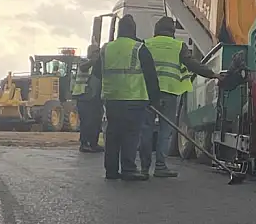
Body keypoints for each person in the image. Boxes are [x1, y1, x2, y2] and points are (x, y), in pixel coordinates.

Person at [139, 17, 223, 178]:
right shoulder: (178, 46)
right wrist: (213, 74)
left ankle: (144, 168)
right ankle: (160, 167)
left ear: (156, 30)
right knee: (165, 131)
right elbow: (193, 65)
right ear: (172, 31)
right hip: (170, 93)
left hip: (147, 94)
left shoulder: (146, 44)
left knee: (146, 130)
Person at [91, 15, 160, 181]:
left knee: (113, 134)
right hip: (134, 99)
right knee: (130, 135)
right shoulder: (139, 48)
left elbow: (96, 73)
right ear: (133, 30)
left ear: (117, 31)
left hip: (112, 99)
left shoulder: (106, 49)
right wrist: (155, 100)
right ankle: (128, 169)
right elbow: (151, 76)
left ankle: (111, 170)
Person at [72, 44, 104, 153]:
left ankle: (93, 143)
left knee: (96, 121)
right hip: (83, 96)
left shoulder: (98, 64)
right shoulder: (83, 61)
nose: (97, 54)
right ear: (90, 52)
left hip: (95, 97)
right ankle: (84, 144)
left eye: (98, 52)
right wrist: (93, 60)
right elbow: (83, 67)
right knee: (86, 121)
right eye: (95, 52)